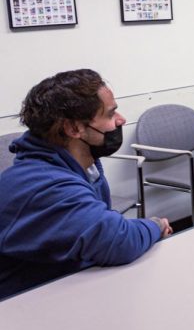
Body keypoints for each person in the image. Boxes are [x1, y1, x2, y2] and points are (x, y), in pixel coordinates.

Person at [0, 69, 172, 300]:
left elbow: (99, 230)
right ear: (73, 129)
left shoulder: (82, 167)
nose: (121, 120)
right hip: (25, 308)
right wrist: (155, 225)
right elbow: (118, 240)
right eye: (111, 115)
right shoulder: (44, 186)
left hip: (68, 288)